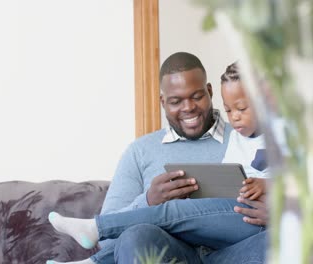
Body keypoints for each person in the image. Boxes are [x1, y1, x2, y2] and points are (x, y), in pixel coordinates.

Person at [47, 54, 268, 264]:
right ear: (163, 102)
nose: (188, 107)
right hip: (169, 255)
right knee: (135, 236)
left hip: (236, 252)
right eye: (175, 101)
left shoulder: (244, 135)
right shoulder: (140, 151)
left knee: (282, 238)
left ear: (210, 91)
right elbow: (109, 243)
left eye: (197, 96)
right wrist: (148, 200)